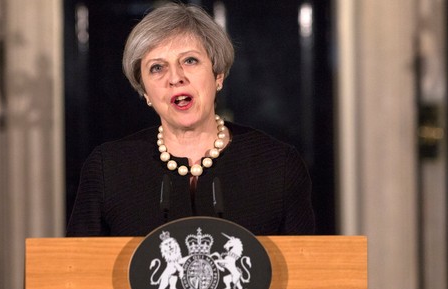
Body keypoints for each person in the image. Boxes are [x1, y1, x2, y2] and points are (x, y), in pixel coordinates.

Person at [67, 2, 315, 237]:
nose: (175, 77)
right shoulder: (108, 169)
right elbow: (73, 271)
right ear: (144, 92)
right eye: (157, 67)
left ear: (218, 75)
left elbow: (309, 268)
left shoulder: (278, 165)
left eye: (189, 60)